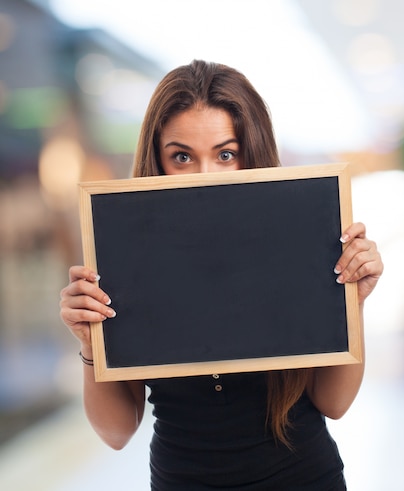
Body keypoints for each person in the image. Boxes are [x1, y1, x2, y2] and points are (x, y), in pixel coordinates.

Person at [59, 60, 383, 490]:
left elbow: (334, 403)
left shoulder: (296, 239)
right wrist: (89, 345)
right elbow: (117, 433)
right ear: (157, 160)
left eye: (225, 154)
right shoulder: (128, 253)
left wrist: (351, 301)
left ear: (252, 154)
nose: (204, 176)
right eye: (182, 157)